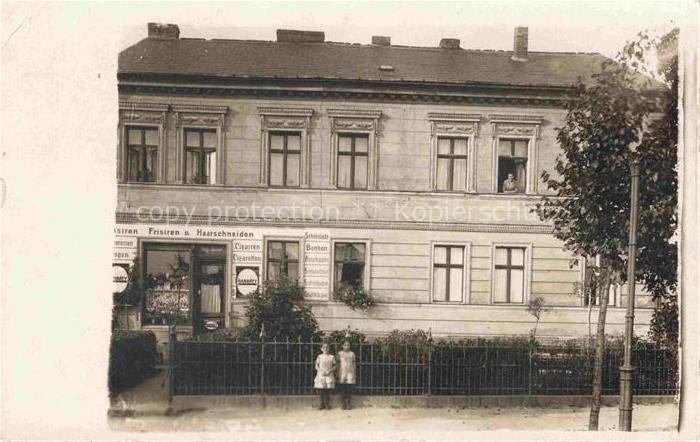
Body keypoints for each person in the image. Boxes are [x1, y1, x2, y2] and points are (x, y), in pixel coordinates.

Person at [314, 342, 336, 410]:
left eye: (327, 347)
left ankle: (327, 404)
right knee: (321, 389)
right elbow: (316, 366)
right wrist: (320, 371)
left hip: (329, 374)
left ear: (329, 348)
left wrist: (330, 371)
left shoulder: (332, 357)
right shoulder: (319, 356)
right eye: (324, 347)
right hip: (321, 375)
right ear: (321, 349)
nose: (325, 349)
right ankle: (321, 404)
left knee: (327, 390)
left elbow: (335, 366)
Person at [336, 341, 357, 410]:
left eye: (348, 345)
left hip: (350, 373)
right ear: (342, 346)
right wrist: (337, 372)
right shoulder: (339, 353)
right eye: (345, 345)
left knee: (349, 389)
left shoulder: (352, 354)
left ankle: (348, 404)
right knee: (342, 389)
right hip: (342, 372)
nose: (346, 346)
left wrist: (354, 372)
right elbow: (337, 363)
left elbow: (354, 363)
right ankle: (343, 404)